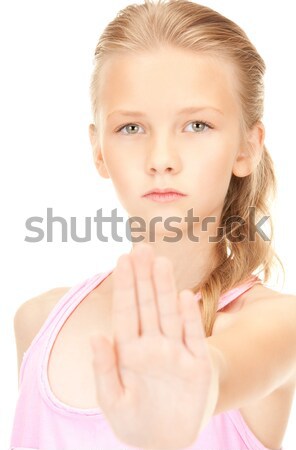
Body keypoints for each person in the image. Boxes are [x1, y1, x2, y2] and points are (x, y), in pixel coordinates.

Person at [9, 1, 296, 449]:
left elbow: (218, 371)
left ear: (247, 147)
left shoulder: (279, 323)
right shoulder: (38, 322)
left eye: (197, 125)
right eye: (131, 128)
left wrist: (186, 399)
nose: (161, 160)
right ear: (98, 150)